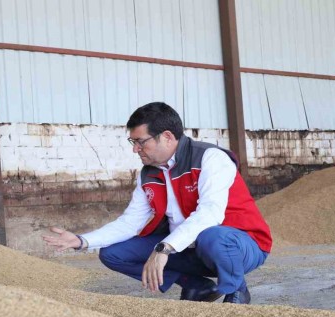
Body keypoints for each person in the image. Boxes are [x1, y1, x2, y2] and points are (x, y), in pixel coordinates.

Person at [43, 102, 272, 304]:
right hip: (190, 248)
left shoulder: (210, 158)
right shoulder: (148, 174)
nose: (135, 149)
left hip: (240, 246)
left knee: (213, 236)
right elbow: (130, 223)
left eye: (140, 142)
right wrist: (82, 240)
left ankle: (236, 289)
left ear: (167, 137)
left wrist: (164, 248)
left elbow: (210, 213)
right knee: (112, 253)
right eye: (132, 142)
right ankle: (197, 285)